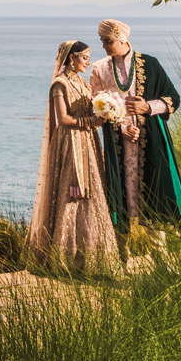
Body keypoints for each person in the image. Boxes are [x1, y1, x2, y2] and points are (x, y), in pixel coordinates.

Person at [86, 19, 181, 240]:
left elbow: (173, 98)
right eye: (102, 41)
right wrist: (122, 126)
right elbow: (96, 105)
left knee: (153, 194)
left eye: (108, 41)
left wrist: (148, 107)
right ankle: (122, 258)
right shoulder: (100, 68)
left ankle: (159, 258)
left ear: (122, 38)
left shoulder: (150, 64)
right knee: (119, 198)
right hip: (117, 145)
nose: (104, 46)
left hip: (149, 141)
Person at [28, 39, 119, 269]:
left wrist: (108, 109)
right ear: (72, 58)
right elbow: (64, 119)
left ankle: (92, 258)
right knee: (72, 193)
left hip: (87, 141)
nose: (88, 63)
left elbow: (92, 108)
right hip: (70, 142)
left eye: (89, 58)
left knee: (93, 194)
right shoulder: (60, 85)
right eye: (84, 58)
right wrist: (93, 121)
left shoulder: (83, 83)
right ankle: (64, 259)